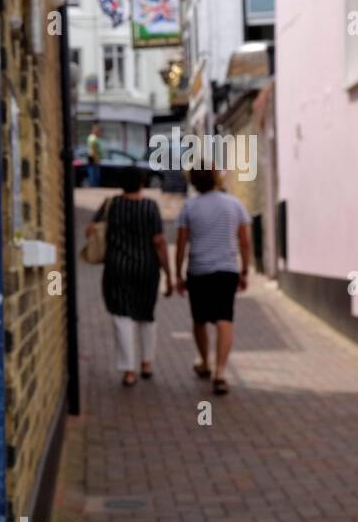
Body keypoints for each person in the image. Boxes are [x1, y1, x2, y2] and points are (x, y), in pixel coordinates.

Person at [87, 166, 174, 387]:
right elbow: (159, 242)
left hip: (117, 268)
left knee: (121, 316)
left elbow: (90, 230)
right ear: (142, 183)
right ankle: (146, 363)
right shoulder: (150, 207)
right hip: (147, 269)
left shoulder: (112, 205)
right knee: (146, 315)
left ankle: (128, 371)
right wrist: (170, 274)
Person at [175, 167, 252, 395]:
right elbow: (245, 241)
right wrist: (245, 270)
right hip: (226, 271)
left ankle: (204, 363)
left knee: (199, 319)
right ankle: (220, 373)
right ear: (216, 179)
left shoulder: (189, 207)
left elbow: (181, 244)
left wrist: (177, 274)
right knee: (224, 318)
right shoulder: (234, 204)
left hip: (198, 271)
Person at [86, 123, 104, 188]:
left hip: (94, 158)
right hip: (93, 159)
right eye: (98, 131)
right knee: (94, 175)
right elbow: (92, 150)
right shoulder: (93, 138)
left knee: (94, 174)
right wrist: (95, 159)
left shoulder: (94, 138)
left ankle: (94, 186)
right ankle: (93, 187)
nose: (99, 132)